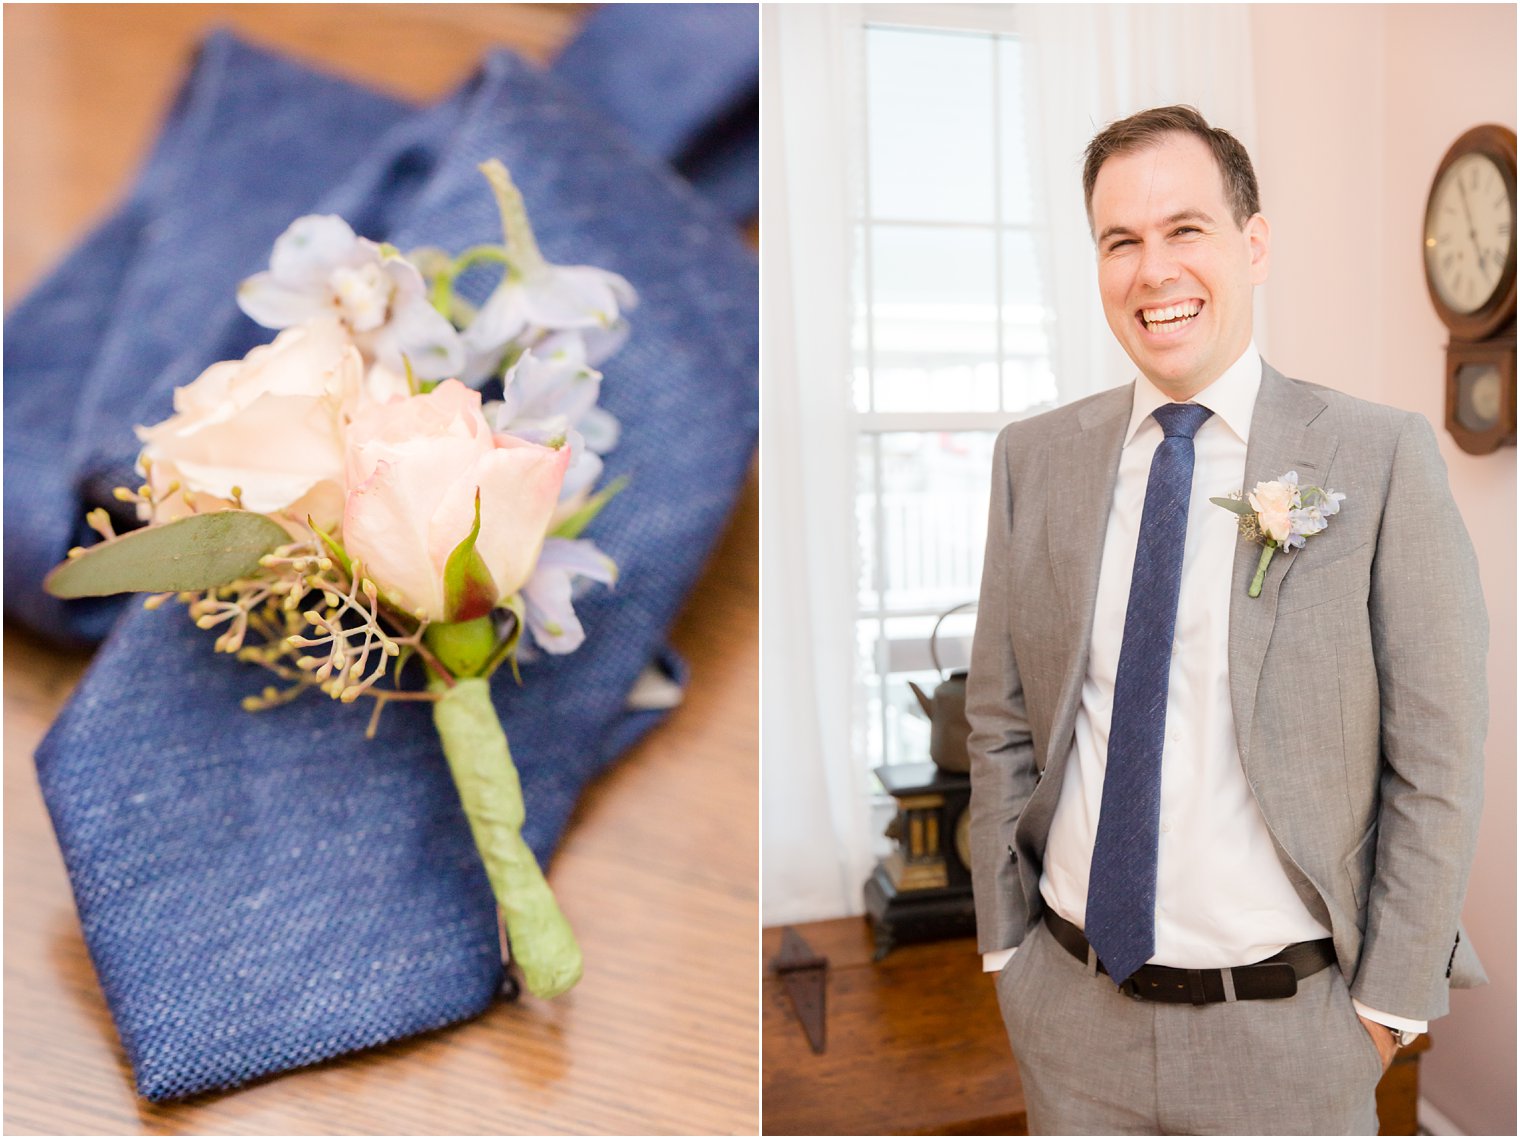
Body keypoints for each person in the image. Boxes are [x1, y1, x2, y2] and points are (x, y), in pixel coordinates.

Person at [965, 105, 1487, 1136]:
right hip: (1070, 1019)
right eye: (1120, 241)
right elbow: (999, 714)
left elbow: (1436, 754)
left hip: (1293, 1038)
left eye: (1183, 229)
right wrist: (1004, 950)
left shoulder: (1378, 459)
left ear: (1251, 243)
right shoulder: (1033, 460)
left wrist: (1380, 1012)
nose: (1151, 269)